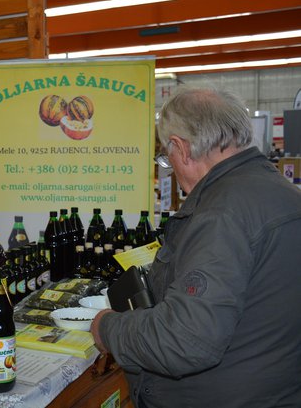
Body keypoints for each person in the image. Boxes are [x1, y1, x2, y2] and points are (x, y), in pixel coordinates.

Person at [91, 87, 301, 408]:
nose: (169, 167)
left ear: (182, 149)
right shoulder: (281, 192)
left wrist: (108, 328)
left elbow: (185, 341)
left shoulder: (221, 214)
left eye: (166, 157)